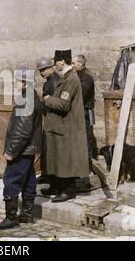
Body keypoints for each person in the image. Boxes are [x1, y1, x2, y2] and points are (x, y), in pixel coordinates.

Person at [0, 69, 42, 230]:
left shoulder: (26, 99)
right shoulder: (32, 95)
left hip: (21, 149)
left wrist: (11, 151)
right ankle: (27, 215)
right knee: (29, 180)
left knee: (11, 180)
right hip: (28, 149)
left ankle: (10, 217)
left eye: (17, 80)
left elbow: (22, 130)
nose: (14, 83)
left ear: (24, 82)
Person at [42, 49, 90, 203]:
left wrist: (48, 99)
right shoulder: (67, 77)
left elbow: (63, 104)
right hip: (61, 125)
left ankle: (68, 191)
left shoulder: (71, 79)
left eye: (56, 62)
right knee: (57, 157)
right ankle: (56, 187)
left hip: (67, 126)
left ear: (62, 61)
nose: (54, 65)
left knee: (66, 159)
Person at [36, 57, 59, 184]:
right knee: (47, 149)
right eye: (40, 71)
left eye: (44, 69)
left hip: (53, 119)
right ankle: (46, 174)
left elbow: (55, 102)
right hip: (48, 118)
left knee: (51, 151)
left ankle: (51, 177)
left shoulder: (55, 82)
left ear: (51, 68)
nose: (42, 73)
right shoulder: (48, 82)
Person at [72, 54, 96, 162]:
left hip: (86, 110)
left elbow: (81, 95)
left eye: (74, 63)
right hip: (83, 110)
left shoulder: (86, 77)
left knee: (86, 137)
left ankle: (89, 164)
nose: (72, 65)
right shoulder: (80, 75)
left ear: (80, 64)